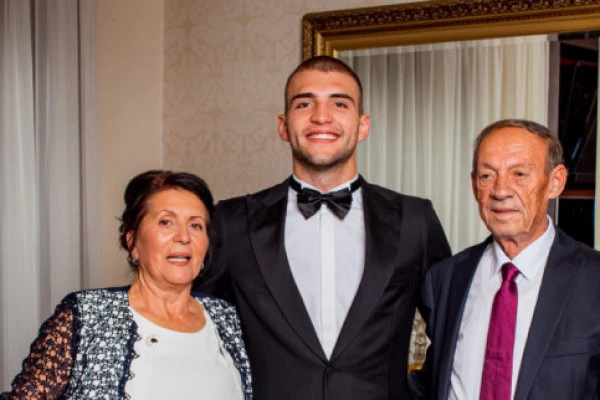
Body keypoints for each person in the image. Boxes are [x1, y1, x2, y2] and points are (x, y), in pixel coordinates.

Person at [195, 55, 451, 399]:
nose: (321, 116)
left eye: (339, 103)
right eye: (305, 103)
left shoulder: (415, 220)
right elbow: (193, 327)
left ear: (363, 125)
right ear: (283, 125)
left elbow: (452, 329)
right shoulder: (232, 221)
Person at [1, 170, 252, 399]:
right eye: (166, 222)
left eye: (196, 225)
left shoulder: (226, 318)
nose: (184, 237)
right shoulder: (87, 316)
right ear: (132, 241)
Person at [410, 119, 600, 399]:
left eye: (519, 174)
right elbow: (429, 384)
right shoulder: (445, 278)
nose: (500, 191)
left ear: (555, 182)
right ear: (474, 185)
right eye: (487, 176)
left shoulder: (593, 279)